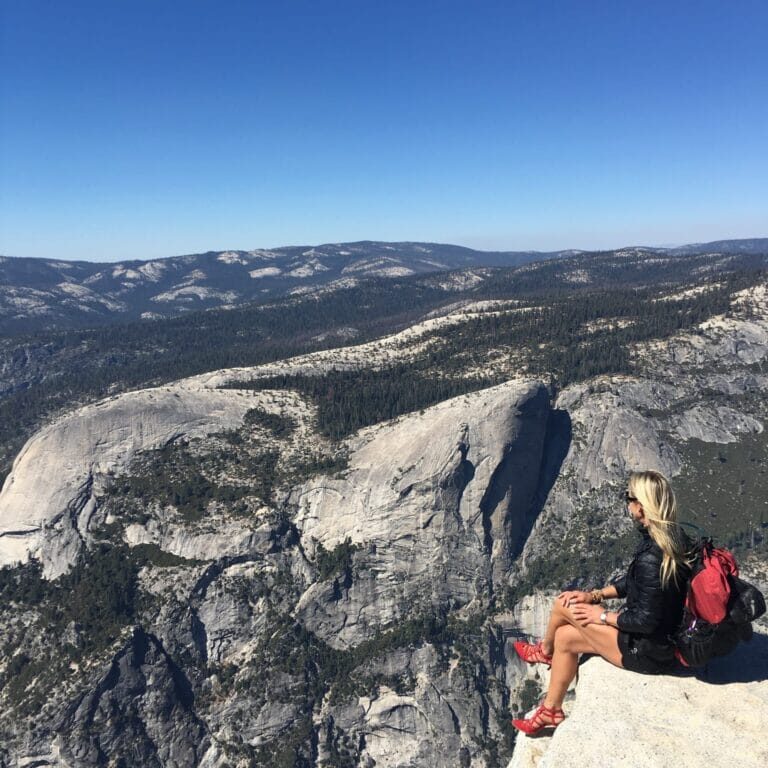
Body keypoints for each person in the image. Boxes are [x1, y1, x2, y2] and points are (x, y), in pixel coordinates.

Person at [511, 470, 691, 735]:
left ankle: (544, 654)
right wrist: (595, 596)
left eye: (628, 498)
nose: (627, 505)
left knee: (563, 604)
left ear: (641, 507)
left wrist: (602, 616)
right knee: (566, 637)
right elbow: (634, 584)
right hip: (660, 642)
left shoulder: (653, 556)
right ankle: (551, 709)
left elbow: (646, 620)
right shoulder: (673, 539)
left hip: (650, 652)